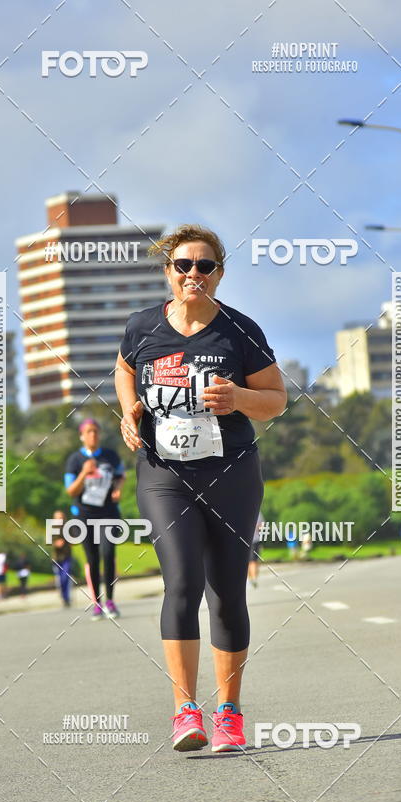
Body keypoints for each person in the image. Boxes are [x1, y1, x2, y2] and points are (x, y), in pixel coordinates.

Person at [115, 224, 286, 753]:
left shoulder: (238, 330)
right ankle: (186, 710)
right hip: (164, 475)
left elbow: (276, 398)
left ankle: (229, 713)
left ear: (219, 273)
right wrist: (128, 411)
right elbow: (124, 369)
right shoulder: (143, 327)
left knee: (227, 592)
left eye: (205, 266)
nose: (194, 275)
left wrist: (237, 397)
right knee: (182, 583)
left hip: (231, 471)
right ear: (168, 272)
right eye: (183, 265)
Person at [64, 419, 126, 619]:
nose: (93, 435)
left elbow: (121, 476)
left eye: (96, 431)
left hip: (108, 513)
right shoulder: (74, 460)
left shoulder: (111, 456)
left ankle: (110, 601)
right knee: (92, 559)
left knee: (108, 554)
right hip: (84, 516)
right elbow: (71, 490)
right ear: (82, 436)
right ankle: (97, 603)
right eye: (89, 432)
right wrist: (84, 472)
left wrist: (117, 489)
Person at [51, 510, 72, 608]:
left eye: (61, 518)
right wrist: (56, 543)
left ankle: (67, 597)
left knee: (65, 577)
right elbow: (49, 542)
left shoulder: (68, 528)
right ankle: (64, 597)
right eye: (57, 518)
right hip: (57, 558)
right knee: (60, 580)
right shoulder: (51, 529)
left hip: (66, 557)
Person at [247, 511, 264, 589]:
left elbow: (261, 526)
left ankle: (252, 579)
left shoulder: (257, 512)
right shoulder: (257, 510)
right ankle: (252, 579)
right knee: (253, 560)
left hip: (254, 540)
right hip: (253, 540)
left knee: (252, 560)